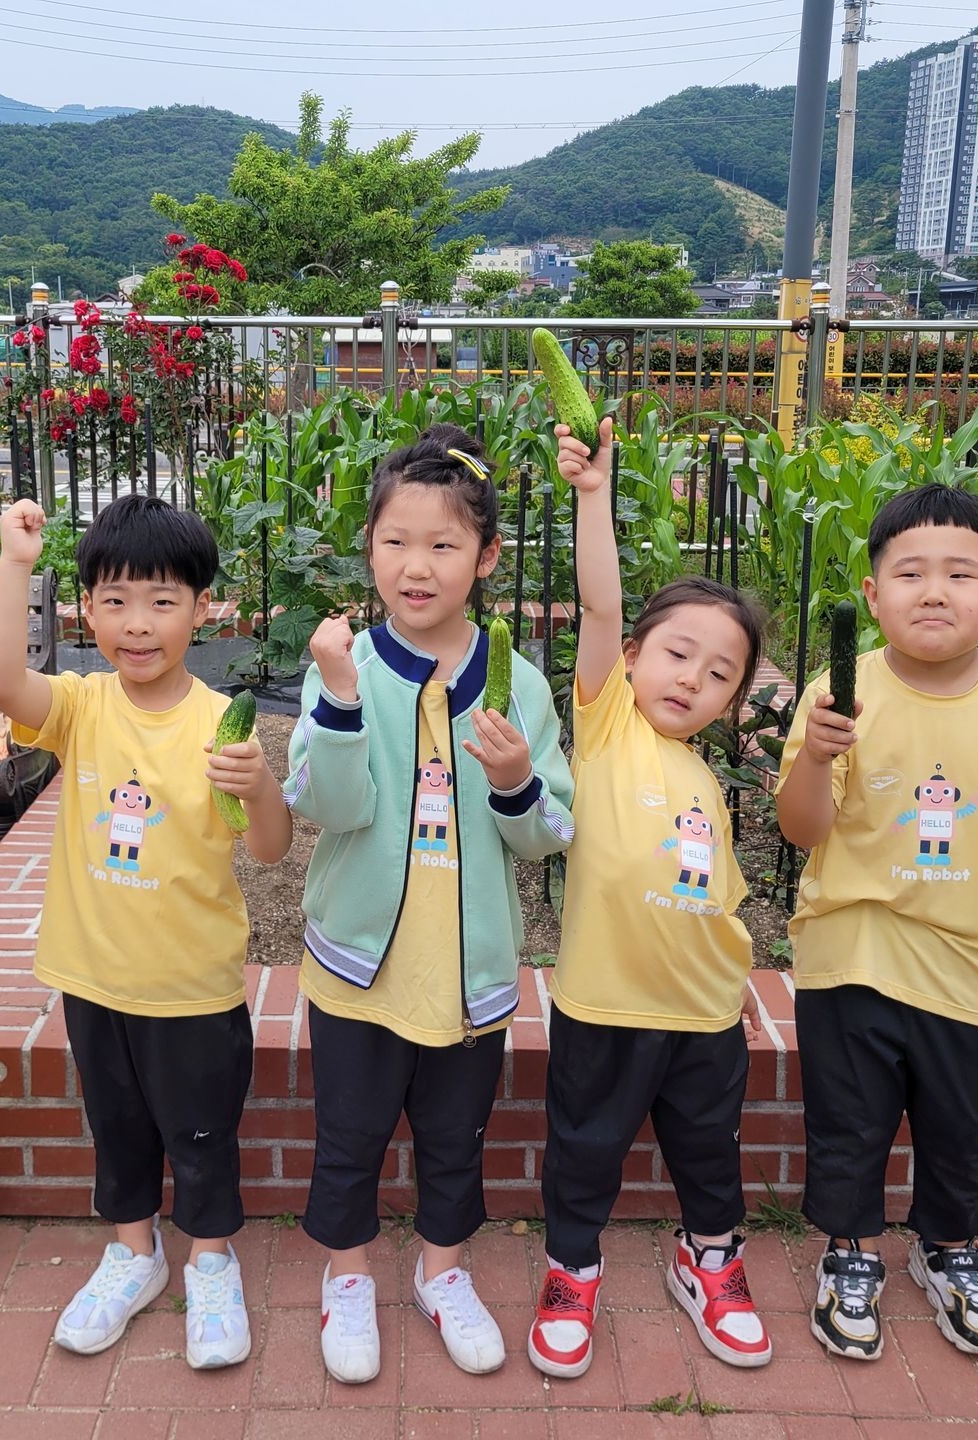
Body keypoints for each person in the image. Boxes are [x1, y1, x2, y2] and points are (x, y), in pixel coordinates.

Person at [286, 424, 575, 1384]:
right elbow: (331, 809)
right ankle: (348, 1277)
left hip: (468, 974)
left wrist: (518, 779)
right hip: (359, 967)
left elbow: (548, 834)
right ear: (369, 548)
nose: (417, 567)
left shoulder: (518, 683)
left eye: (444, 544)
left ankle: (441, 1272)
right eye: (396, 542)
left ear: (485, 557)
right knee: (350, 1137)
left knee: (455, 1140)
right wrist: (337, 701)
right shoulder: (348, 666)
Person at [0, 492, 292, 1370]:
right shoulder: (80, 705)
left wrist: (262, 787)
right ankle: (134, 1254)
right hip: (94, 978)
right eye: (115, 601)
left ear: (204, 608)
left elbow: (270, 850)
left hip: (193, 989)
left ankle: (211, 1261)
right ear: (87, 611)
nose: (138, 624)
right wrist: (15, 563)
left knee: (202, 1137)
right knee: (116, 1130)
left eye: (162, 601)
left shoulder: (222, 724)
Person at [775, 483, 978, 1362]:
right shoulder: (840, 692)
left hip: (968, 965)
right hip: (852, 952)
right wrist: (815, 754)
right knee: (850, 1121)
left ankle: (949, 1247)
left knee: (959, 1125)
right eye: (910, 574)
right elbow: (803, 830)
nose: (935, 592)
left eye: (961, 574)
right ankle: (851, 1250)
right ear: (874, 596)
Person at [527, 416, 773, 1380]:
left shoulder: (706, 780)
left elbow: (718, 902)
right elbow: (598, 606)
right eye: (677, 653)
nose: (692, 678)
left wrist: (734, 986)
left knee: (709, 1150)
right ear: (632, 656)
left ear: (733, 698)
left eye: (720, 673)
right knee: (585, 1148)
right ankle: (571, 1270)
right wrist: (594, 496)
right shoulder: (607, 728)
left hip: (704, 1014)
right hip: (604, 1003)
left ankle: (709, 1260)